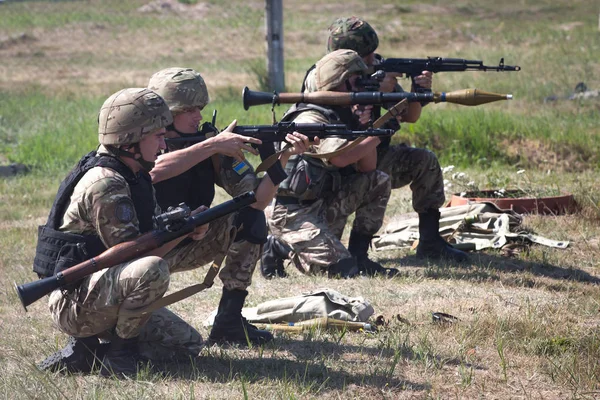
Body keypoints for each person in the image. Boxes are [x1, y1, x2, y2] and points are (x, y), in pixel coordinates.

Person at [35, 88, 210, 377]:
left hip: (100, 290)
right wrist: (183, 231)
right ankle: (118, 355)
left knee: (186, 346)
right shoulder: (106, 183)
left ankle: (87, 353)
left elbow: (148, 234)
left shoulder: (134, 173)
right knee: (152, 269)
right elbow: (135, 255)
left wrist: (187, 227)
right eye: (157, 136)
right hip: (75, 301)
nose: (164, 145)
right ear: (131, 141)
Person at [147, 68, 313, 345]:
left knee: (249, 217)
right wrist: (211, 146)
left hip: (186, 243)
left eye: (200, 108)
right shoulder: (141, 141)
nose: (198, 116)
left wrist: (281, 157)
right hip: (140, 252)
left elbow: (257, 200)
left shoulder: (210, 145)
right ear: (166, 112)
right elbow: (153, 171)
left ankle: (229, 321)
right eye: (188, 109)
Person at [293, 17, 468, 264]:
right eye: (366, 56)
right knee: (324, 249)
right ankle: (285, 247)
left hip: (371, 155)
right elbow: (338, 132)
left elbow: (411, 116)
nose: (372, 60)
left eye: (372, 54)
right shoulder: (322, 76)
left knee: (424, 162)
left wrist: (416, 92)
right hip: (336, 166)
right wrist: (376, 94)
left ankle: (429, 242)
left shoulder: (378, 71)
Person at [262, 49, 397, 279]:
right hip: (292, 212)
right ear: (338, 83)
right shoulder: (310, 118)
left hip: (321, 204)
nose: (360, 88)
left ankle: (359, 256)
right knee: (341, 271)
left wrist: (365, 128)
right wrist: (379, 133)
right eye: (355, 82)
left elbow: (368, 169)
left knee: (378, 181)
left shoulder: (343, 113)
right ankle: (278, 246)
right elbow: (339, 157)